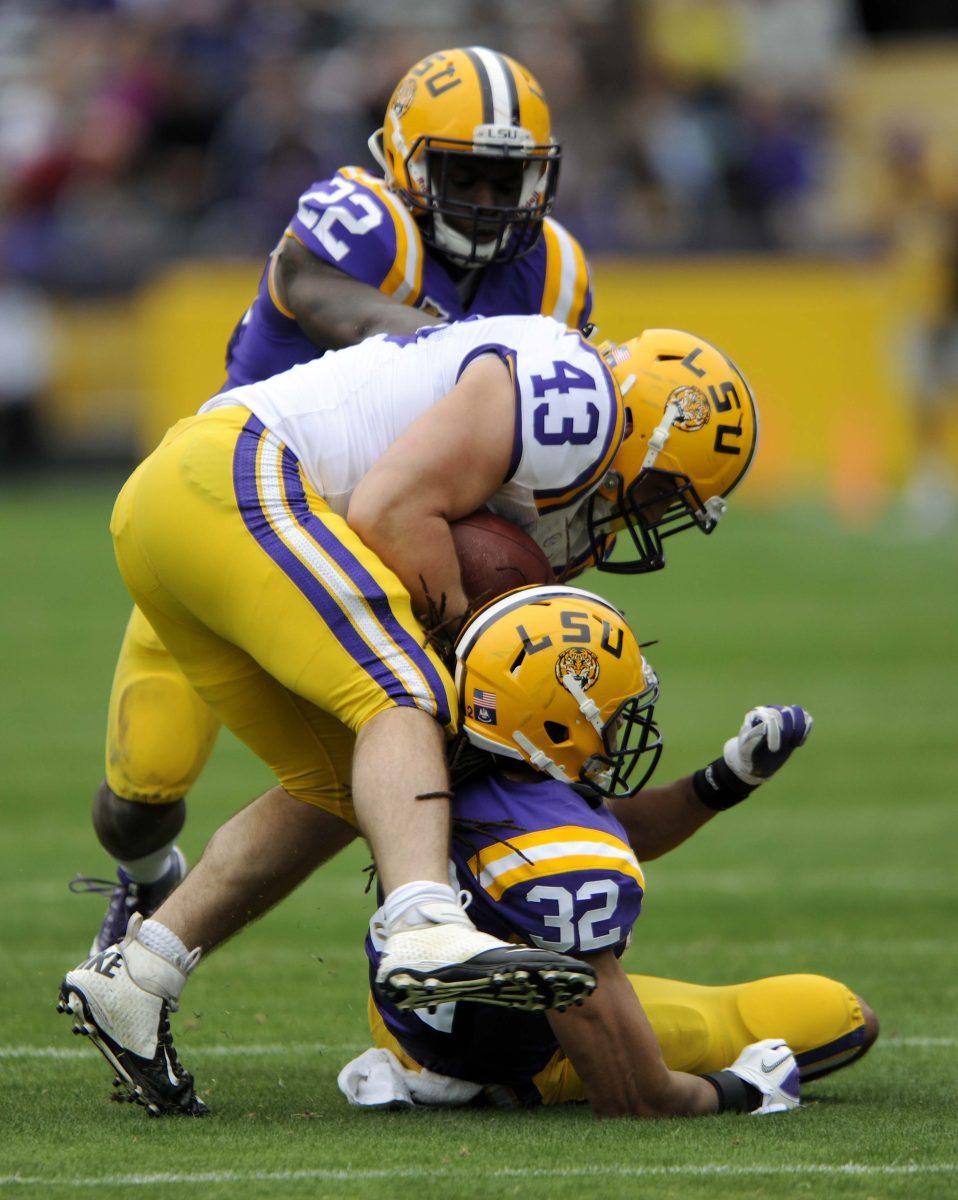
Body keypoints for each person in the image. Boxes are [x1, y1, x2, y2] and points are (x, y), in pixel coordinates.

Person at [59, 317, 758, 1117]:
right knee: (407, 698)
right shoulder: (583, 407)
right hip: (228, 473)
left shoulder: (567, 424)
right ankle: (426, 926)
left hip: (178, 510)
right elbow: (389, 511)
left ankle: (140, 976)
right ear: (659, 425)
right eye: (670, 489)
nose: (657, 513)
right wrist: (467, 653)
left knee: (341, 787)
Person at [76, 46, 589, 955]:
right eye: (465, 172)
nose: (489, 200)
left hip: (387, 540)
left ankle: (446, 933)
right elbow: (315, 290)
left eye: (511, 179)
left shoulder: (554, 271)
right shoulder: (364, 220)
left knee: (394, 743)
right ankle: (153, 882)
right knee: (137, 803)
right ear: (403, 161)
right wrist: (456, 346)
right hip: (242, 523)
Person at [339, 586, 878, 1117]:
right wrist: (744, 1090)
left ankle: (432, 1063)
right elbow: (637, 1099)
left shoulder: (434, 769)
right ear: (559, 718)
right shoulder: (562, 861)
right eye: (617, 710)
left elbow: (602, 826)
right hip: (510, 1055)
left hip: (405, 1017)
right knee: (839, 1014)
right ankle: (497, 1089)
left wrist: (727, 779)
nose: (624, 723)